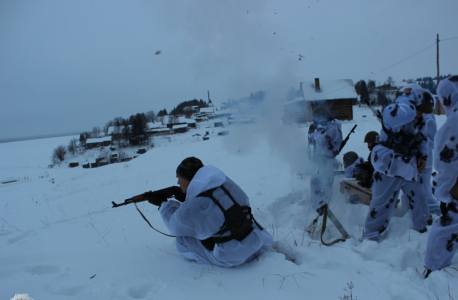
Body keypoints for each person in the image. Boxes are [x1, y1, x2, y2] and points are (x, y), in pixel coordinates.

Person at [153, 157, 273, 267]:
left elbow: (175, 225)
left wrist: (164, 205)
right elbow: (219, 205)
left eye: (179, 178)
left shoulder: (197, 206)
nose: (178, 182)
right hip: (255, 241)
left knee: (182, 240)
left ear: (188, 180)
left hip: (233, 257)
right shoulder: (226, 183)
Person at [363, 86, 433, 241]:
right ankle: (370, 237)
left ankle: (424, 231)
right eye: (419, 109)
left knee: (420, 199)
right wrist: (407, 99)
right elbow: (401, 115)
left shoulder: (419, 120)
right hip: (389, 165)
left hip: (409, 166)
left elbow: (422, 138)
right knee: (381, 204)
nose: (420, 114)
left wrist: (423, 156)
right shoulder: (394, 110)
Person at [424, 75, 458, 277]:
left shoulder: (453, 125)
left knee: (445, 229)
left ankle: (433, 272)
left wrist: (443, 194)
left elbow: (447, 164)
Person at [308, 106, 342, 209]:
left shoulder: (332, 127)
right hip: (319, 162)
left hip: (327, 162)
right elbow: (311, 142)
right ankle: (317, 206)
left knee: (324, 184)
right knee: (316, 182)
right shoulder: (322, 127)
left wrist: (319, 128)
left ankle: (323, 207)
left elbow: (321, 139)